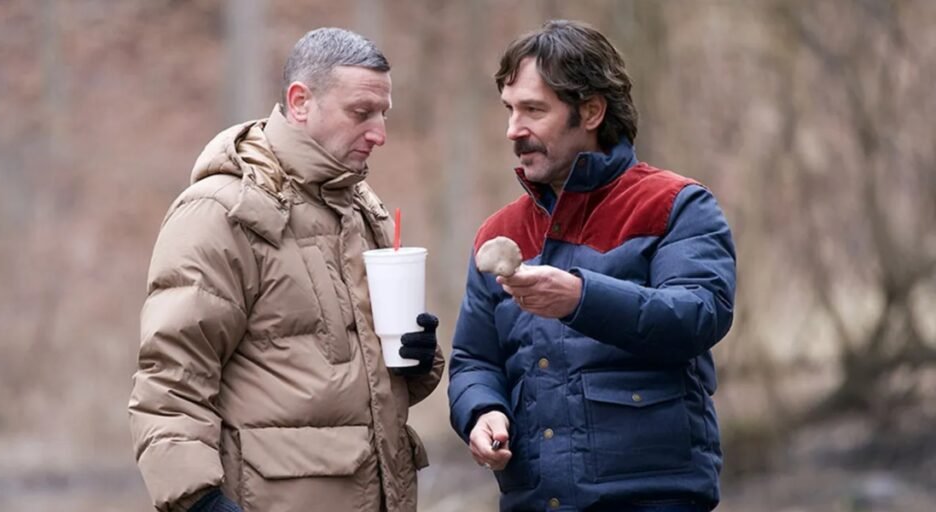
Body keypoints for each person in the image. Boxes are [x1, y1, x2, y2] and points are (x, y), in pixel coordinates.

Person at [129, 28, 443, 512]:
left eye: (383, 114)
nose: (379, 133)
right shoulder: (221, 213)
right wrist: (200, 502)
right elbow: (170, 384)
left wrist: (412, 362)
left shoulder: (361, 209)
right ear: (301, 102)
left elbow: (341, 385)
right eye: (361, 113)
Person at [448, 20, 737, 512]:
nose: (513, 130)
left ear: (592, 111)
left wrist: (581, 298)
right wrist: (482, 411)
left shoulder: (677, 205)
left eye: (533, 110)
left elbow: (699, 314)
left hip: (654, 499)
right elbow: (473, 361)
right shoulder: (499, 234)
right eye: (510, 110)